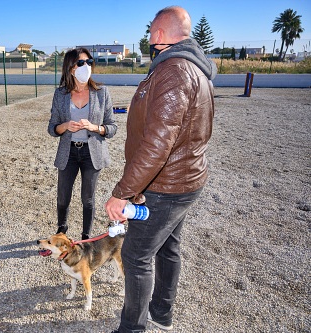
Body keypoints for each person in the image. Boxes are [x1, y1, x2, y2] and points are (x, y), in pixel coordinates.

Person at [105, 6, 217, 333]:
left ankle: (133, 328)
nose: (148, 37)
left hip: (166, 186)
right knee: (168, 247)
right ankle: (161, 313)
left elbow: (158, 143)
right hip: (185, 181)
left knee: (137, 256)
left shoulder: (174, 70)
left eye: (151, 31)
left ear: (159, 34)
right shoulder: (193, 69)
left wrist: (121, 194)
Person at [48, 47, 117, 240]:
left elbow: (112, 127)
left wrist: (95, 127)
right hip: (68, 153)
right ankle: (61, 233)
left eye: (88, 62)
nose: (86, 66)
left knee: (88, 199)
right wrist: (65, 126)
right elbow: (52, 128)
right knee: (63, 197)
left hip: (91, 153)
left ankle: (86, 238)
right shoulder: (60, 94)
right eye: (80, 63)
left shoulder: (101, 92)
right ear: (71, 68)